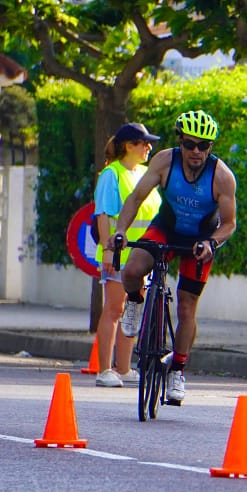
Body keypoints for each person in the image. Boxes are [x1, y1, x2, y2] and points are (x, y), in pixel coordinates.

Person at [108, 110, 237, 405]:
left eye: (203, 146)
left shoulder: (222, 176)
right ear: (180, 142)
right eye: (190, 144)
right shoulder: (165, 161)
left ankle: (177, 370)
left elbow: (229, 223)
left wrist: (211, 243)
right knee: (131, 271)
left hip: (199, 240)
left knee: (187, 308)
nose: (196, 151)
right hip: (165, 228)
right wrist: (121, 231)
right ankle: (136, 303)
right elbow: (136, 197)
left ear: (210, 148)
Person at [92, 123, 163, 387]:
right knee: (114, 309)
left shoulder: (145, 174)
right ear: (129, 146)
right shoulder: (112, 174)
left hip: (143, 254)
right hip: (119, 254)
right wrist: (109, 252)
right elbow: (103, 215)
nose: (149, 147)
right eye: (144, 143)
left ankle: (123, 368)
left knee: (132, 308)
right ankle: (104, 370)